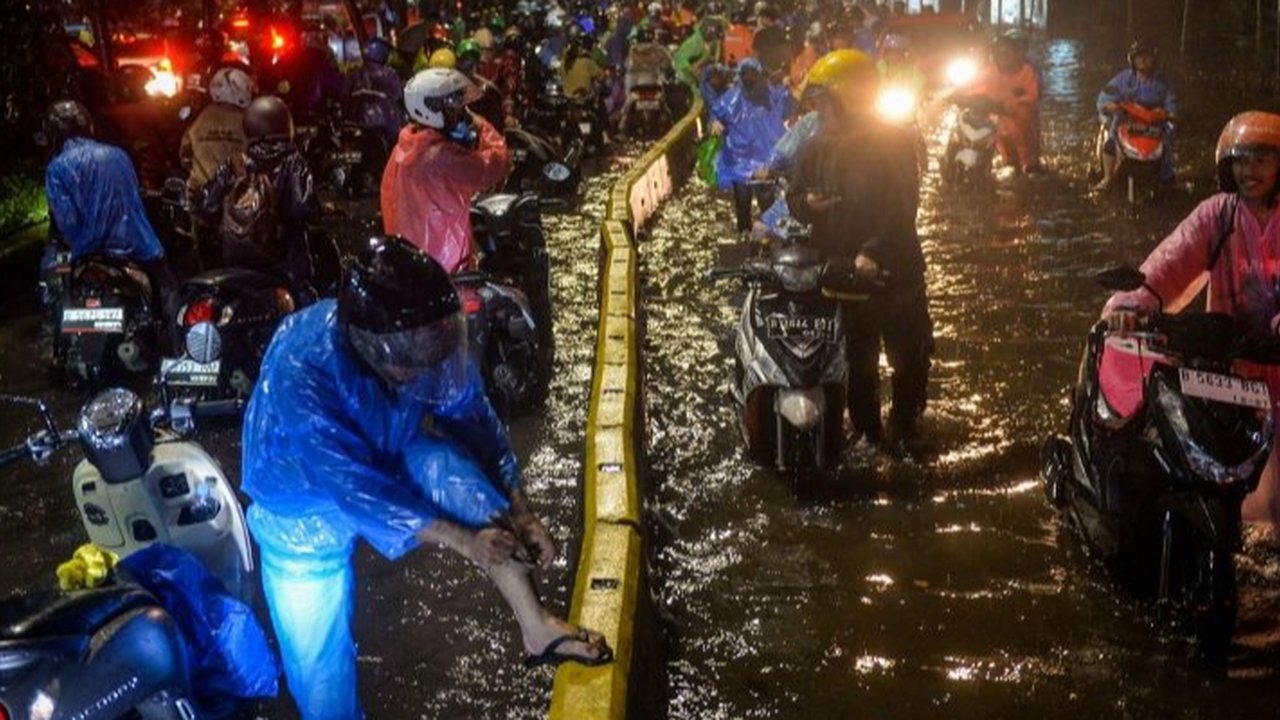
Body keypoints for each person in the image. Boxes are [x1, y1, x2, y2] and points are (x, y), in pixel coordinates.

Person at [243, 236, 612, 720]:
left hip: (388, 445)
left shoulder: (424, 351)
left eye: (434, 345)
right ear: (370, 343)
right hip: (300, 506)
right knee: (321, 673)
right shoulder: (302, 366)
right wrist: (462, 540)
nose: (425, 364)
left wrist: (520, 509)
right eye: (412, 353)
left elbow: (476, 423)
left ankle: (535, 626)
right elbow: (356, 488)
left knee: (452, 470)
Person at [1102, 112, 1280, 532]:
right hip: (1225, 378)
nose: (1248, 171)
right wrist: (1130, 305)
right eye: (1240, 160)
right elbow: (1168, 263)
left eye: (1261, 159)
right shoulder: (1217, 216)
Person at [786, 49, 932, 445]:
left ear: (849, 99)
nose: (819, 112)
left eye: (825, 104)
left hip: (894, 275)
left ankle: (905, 424)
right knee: (857, 363)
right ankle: (868, 431)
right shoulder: (816, 146)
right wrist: (807, 206)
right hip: (842, 276)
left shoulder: (894, 141)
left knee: (909, 358)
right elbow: (795, 194)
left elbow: (902, 207)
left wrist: (872, 251)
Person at [42, 100, 180, 345]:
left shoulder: (56, 168)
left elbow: (67, 220)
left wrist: (79, 246)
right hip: (136, 244)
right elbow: (133, 196)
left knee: (55, 287)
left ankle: (59, 342)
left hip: (87, 250)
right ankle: (172, 345)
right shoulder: (118, 155)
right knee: (168, 287)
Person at [381, 68, 510, 273]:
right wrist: (481, 125)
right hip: (448, 266)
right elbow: (497, 163)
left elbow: (390, 202)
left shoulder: (402, 148)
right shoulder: (444, 158)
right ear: (429, 110)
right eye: (454, 110)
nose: (459, 116)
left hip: (412, 264)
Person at [197, 96, 317, 303]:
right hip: (283, 263)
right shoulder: (292, 162)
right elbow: (301, 208)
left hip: (235, 263)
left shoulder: (234, 163)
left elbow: (206, 206)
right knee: (307, 310)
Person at [710, 58, 791, 236]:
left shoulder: (770, 95)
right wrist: (715, 122)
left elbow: (788, 105)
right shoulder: (732, 98)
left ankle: (772, 237)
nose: (749, 79)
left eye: (753, 74)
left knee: (768, 202)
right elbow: (716, 112)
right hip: (739, 160)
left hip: (764, 161)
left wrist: (789, 87)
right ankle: (745, 235)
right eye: (745, 74)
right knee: (742, 201)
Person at [1095, 39, 1178, 189]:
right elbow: (1104, 97)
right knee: (1110, 144)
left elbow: (1172, 109)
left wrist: (1167, 114)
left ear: (1154, 58)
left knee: (1166, 148)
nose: (1143, 60)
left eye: (1147, 56)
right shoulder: (1123, 79)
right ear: (1132, 60)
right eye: (1139, 56)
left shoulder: (1164, 83)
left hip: (1154, 128)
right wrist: (1111, 106)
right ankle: (1107, 178)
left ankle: (1167, 178)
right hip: (1126, 125)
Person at [971, 31, 1042, 174]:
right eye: (1000, 51)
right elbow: (970, 88)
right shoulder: (989, 71)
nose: (1003, 55)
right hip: (1000, 128)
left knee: (1030, 168)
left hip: (1023, 127)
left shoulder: (1027, 72)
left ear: (1016, 54)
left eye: (1007, 51)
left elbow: (1033, 95)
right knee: (1009, 164)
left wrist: (1009, 105)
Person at [345, 38, 406, 148]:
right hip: (387, 128)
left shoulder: (354, 74)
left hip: (358, 126)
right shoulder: (390, 74)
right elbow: (400, 96)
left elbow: (344, 96)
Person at [618, 24, 674, 135]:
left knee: (626, 110)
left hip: (635, 88)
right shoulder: (659, 49)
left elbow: (626, 67)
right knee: (667, 109)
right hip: (655, 87)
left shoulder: (633, 51)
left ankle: (622, 123)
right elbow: (668, 65)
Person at [674, 17, 724, 87]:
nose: (714, 39)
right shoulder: (696, 43)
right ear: (708, 33)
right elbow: (680, 60)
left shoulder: (701, 41)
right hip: (685, 82)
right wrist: (694, 78)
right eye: (713, 36)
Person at [876, 32, 926, 99]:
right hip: (881, 104)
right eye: (890, 52)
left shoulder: (912, 71)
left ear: (903, 54)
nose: (892, 55)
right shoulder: (879, 67)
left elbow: (920, 84)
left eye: (896, 52)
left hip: (906, 104)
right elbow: (870, 82)